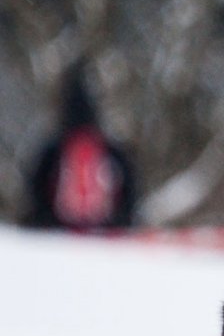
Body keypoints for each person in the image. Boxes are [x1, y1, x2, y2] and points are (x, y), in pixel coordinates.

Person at [24, 63, 138, 231]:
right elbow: (129, 181)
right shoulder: (109, 149)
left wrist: (41, 218)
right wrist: (123, 218)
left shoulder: (54, 149)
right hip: (105, 228)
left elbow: (35, 184)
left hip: (57, 229)